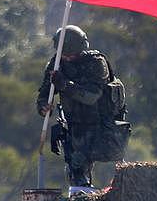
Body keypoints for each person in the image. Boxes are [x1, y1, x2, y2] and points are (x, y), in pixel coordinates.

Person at [36, 25, 114, 188]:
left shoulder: (96, 63)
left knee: (110, 167)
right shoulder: (56, 64)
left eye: (71, 54)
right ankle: (81, 198)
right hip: (73, 125)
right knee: (76, 170)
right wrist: (44, 106)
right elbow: (44, 93)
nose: (67, 58)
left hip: (99, 124)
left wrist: (65, 85)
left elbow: (92, 96)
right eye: (64, 54)